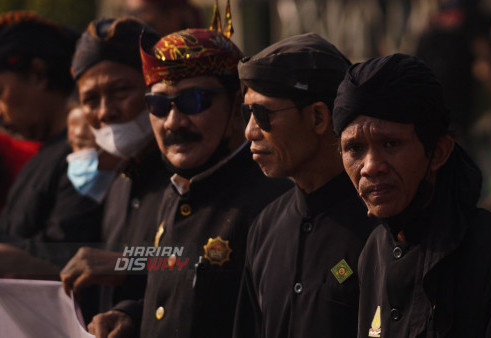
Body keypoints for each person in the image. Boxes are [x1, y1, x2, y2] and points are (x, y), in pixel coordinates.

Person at [87, 9, 292, 337]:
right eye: (158, 105)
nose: (173, 122)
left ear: (237, 106)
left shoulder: (272, 202)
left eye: (194, 101)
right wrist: (131, 316)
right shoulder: (175, 189)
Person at [332, 53, 491, 337]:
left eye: (391, 143)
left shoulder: (490, 252)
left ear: (438, 152)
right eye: (355, 149)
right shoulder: (373, 253)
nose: (371, 167)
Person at [233, 33, 376, 337]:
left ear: (318, 117)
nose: (249, 131)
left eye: (262, 114)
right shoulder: (265, 228)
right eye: (246, 113)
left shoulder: (380, 226)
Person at [60, 17, 169, 320]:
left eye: (121, 92)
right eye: (91, 100)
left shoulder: (187, 170)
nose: (105, 111)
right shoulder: (120, 176)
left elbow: (202, 257)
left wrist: (126, 263)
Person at [0, 11, 102, 270]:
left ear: (37, 74)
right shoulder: (46, 152)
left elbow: (66, 253)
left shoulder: (86, 154)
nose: (0, 110)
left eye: (0, 92)